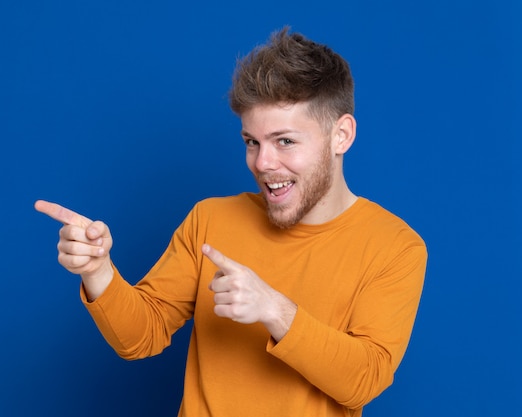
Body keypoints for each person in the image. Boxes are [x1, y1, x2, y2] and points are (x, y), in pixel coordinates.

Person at [35, 27, 427, 417]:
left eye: (284, 141)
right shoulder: (211, 219)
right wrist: (98, 271)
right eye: (251, 142)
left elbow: (364, 381)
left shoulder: (394, 246)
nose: (262, 163)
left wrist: (274, 310)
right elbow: (140, 336)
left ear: (340, 135)